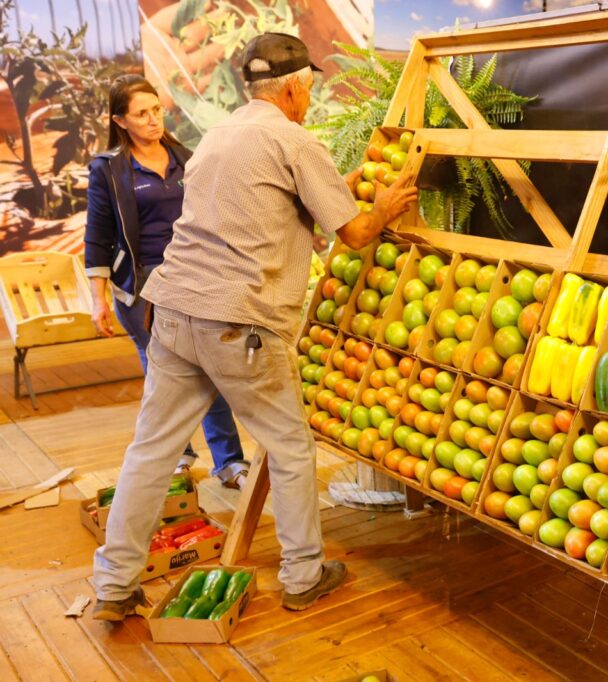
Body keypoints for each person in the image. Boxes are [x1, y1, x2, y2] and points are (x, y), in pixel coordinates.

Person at [91, 33, 418, 620]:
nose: (311, 99)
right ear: (294, 87)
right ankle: (303, 574)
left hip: (173, 310)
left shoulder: (218, 135)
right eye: (310, 88)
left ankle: (113, 587)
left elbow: (266, 206)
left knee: (150, 452)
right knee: (290, 448)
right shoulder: (293, 139)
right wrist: (387, 206)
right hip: (238, 320)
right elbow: (357, 234)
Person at [84, 75, 249, 489]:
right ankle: (178, 454)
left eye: (156, 109)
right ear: (120, 121)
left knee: (207, 370)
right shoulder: (109, 169)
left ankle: (229, 462)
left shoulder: (187, 157)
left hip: (193, 278)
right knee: (162, 375)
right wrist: (98, 299)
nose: (153, 119)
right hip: (139, 287)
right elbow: (97, 234)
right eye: (141, 114)